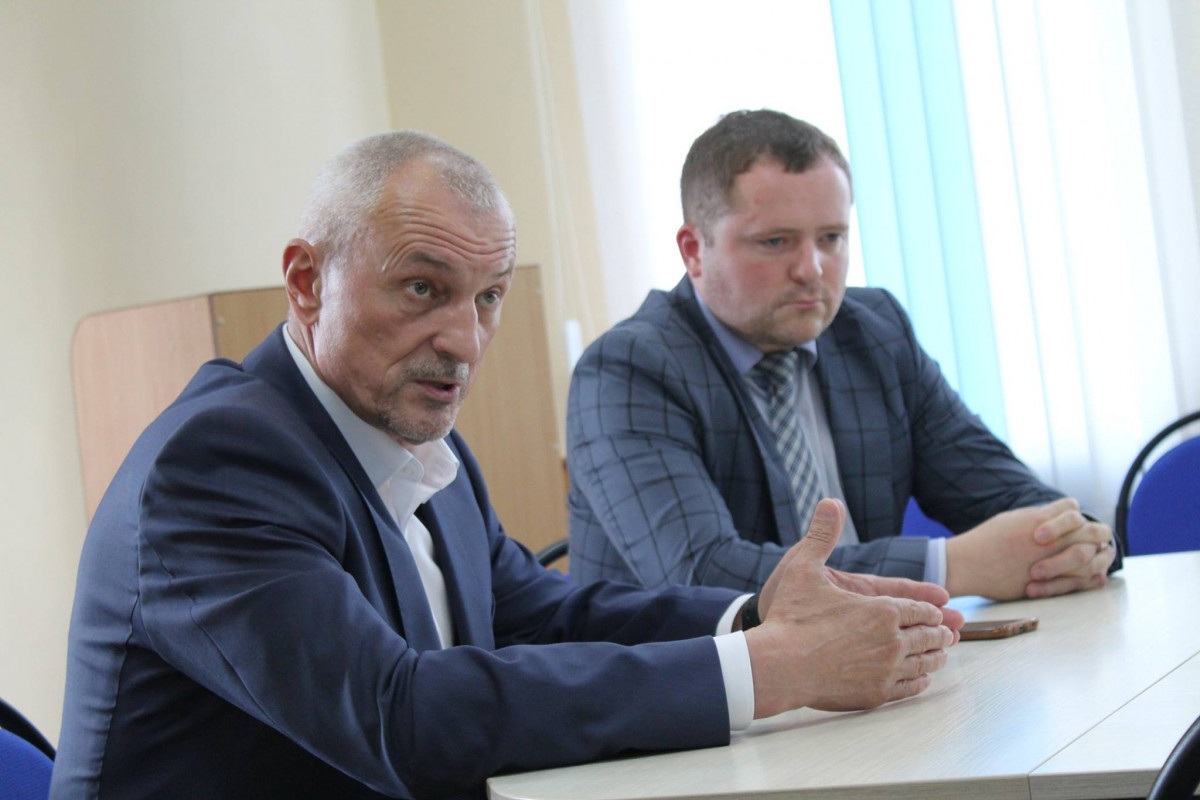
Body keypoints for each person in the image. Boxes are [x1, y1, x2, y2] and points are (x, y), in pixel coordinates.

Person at [50, 131, 961, 800]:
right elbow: (398, 714)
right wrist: (769, 670)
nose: (464, 340)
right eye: (423, 289)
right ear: (306, 282)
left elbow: (539, 614)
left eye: (488, 297)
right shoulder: (217, 463)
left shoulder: (421, 443)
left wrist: (757, 613)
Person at [567, 109, 1118, 599]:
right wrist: (951, 566)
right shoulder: (627, 371)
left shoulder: (875, 333)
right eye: (776, 242)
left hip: (878, 666)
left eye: (831, 238)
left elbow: (1007, 495)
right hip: (694, 681)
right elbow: (704, 576)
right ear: (694, 250)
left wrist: (1077, 539)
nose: (811, 269)